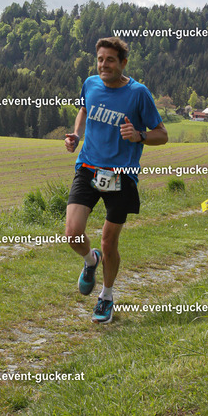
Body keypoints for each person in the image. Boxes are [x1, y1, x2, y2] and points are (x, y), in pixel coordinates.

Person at [65, 37, 168, 323]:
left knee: (109, 242)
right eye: (100, 59)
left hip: (121, 175)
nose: (103, 65)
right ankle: (91, 260)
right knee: (73, 233)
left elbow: (162, 134)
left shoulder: (138, 93)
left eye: (110, 60)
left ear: (123, 63)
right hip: (88, 167)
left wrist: (139, 136)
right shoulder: (90, 84)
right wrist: (76, 135)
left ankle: (106, 297)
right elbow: (84, 109)